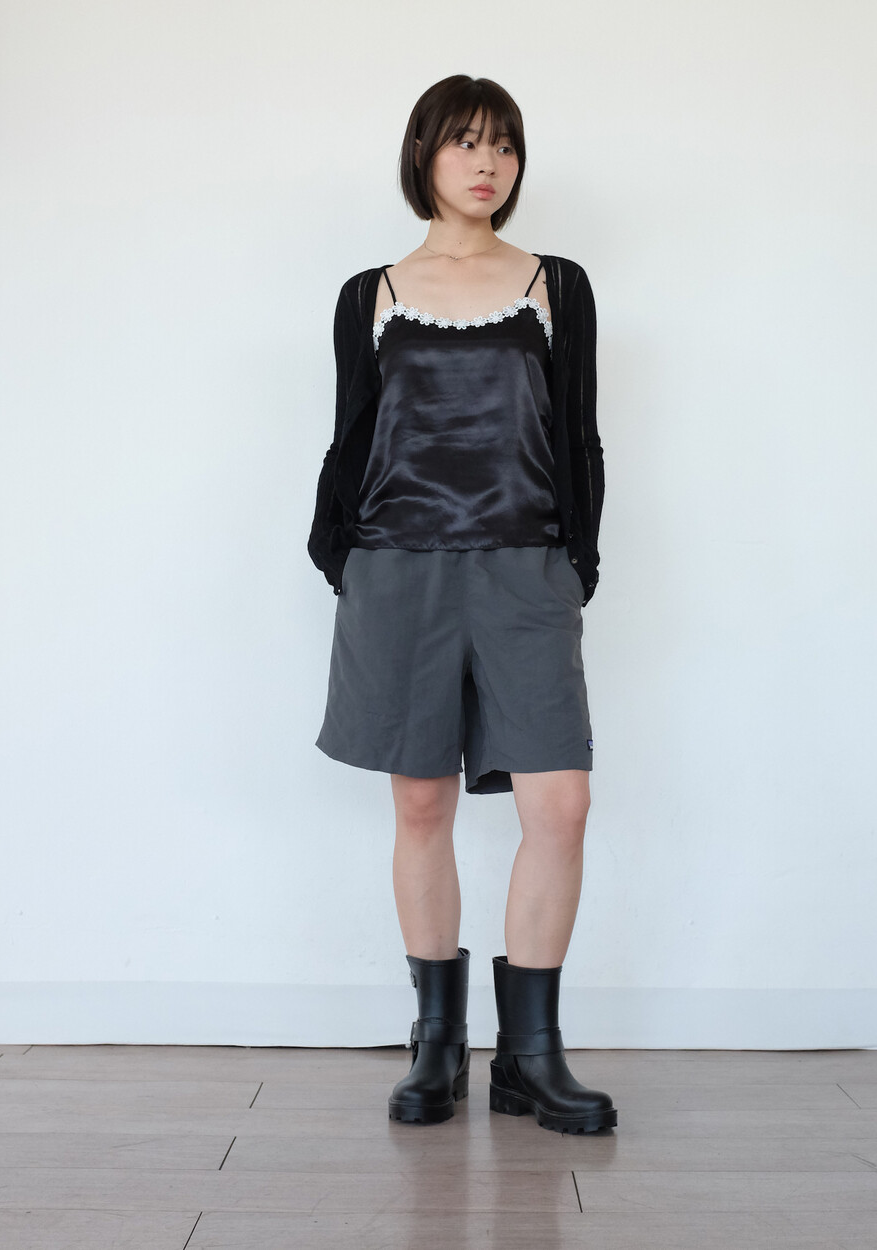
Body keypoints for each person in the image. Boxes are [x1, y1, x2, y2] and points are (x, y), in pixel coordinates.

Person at [308, 75, 616, 1134]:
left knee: (559, 803)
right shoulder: (372, 293)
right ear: (423, 155)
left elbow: (578, 431)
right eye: (465, 142)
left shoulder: (554, 285)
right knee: (421, 803)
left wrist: (575, 563)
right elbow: (351, 434)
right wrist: (340, 554)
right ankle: (437, 1045)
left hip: (524, 563)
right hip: (399, 565)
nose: (487, 163)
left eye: (504, 146)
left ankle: (531, 1055)